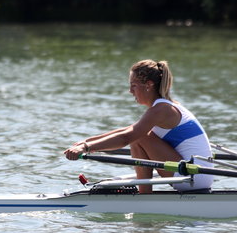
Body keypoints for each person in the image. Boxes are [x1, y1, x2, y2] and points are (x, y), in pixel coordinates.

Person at [64, 59, 214, 193]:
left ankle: (144, 195)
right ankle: (144, 194)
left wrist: (87, 147)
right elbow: (126, 130)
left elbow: (126, 137)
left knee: (139, 137)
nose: (130, 91)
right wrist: (87, 142)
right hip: (194, 175)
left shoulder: (161, 109)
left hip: (193, 177)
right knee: (138, 134)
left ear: (148, 85)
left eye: (133, 86)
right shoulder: (165, 107)